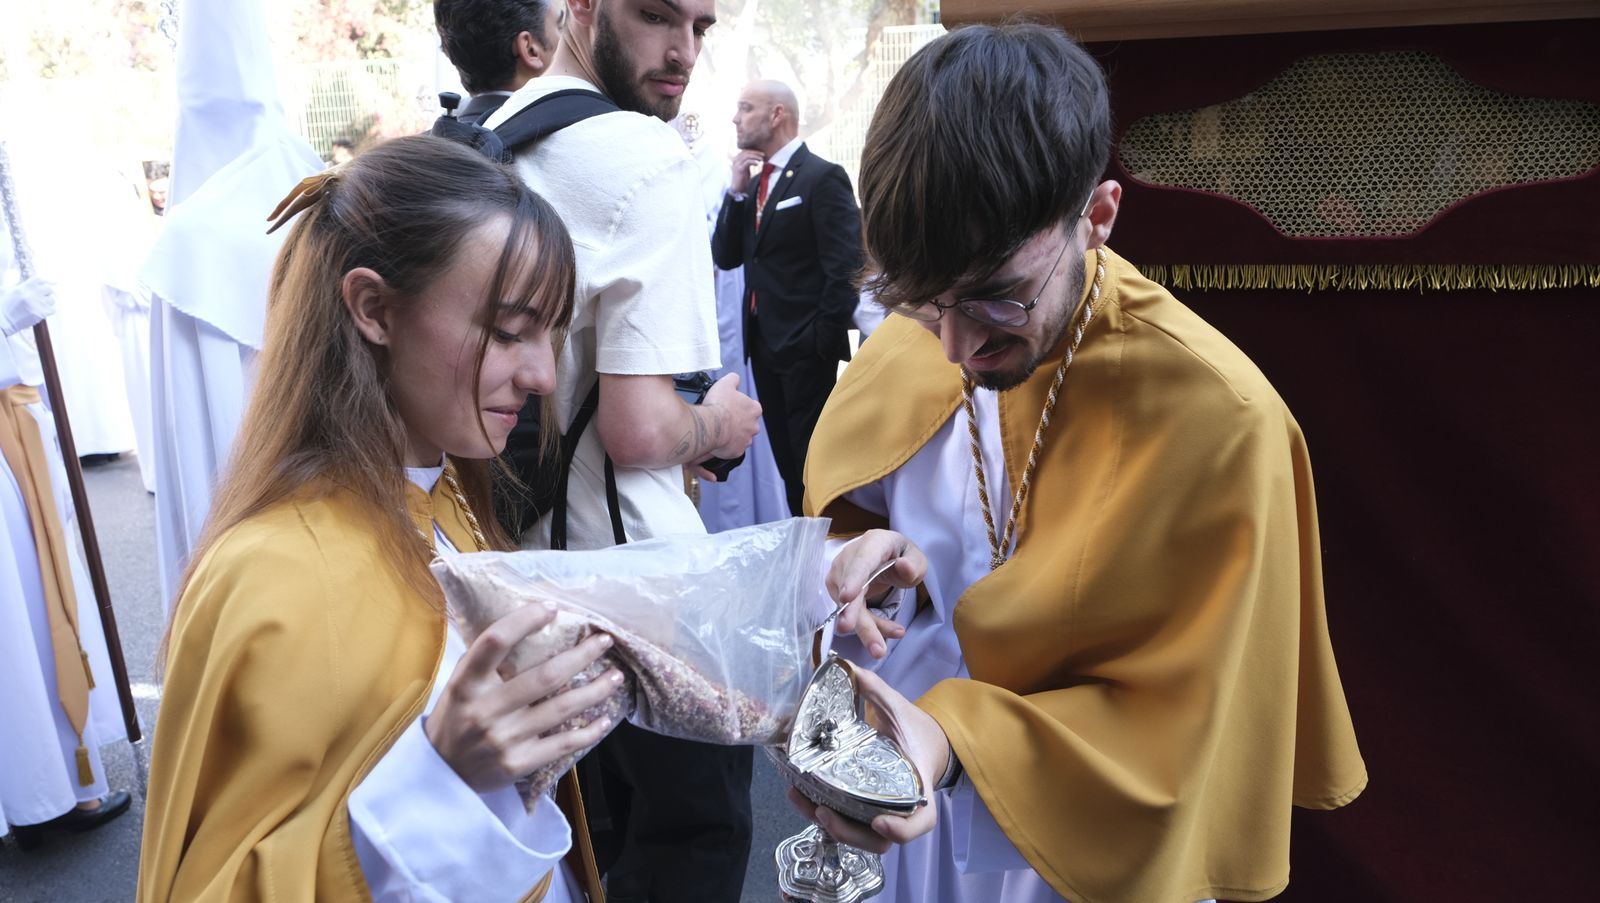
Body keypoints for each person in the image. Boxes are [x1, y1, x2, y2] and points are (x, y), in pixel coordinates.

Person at [795, 23, 1368, 903]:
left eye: (997, 298)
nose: (953, 345)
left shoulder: (1224, 420)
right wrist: (860, 564)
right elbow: (858, 504)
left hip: (1082, 852)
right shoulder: (933, 324)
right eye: (921, 304)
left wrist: (954, 740)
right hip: (904, 817)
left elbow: (1179, 728)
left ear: (1096, 217)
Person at [136, 136, 617, 902]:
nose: (539, 374)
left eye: (551, 333)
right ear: (373, 309)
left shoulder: (452, 495)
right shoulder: (268, 578)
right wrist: (439, 780)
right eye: (506, 330)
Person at [484, 2, 763, 899]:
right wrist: (718, 424)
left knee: (571, 846)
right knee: (695, 837)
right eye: (655, 15)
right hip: (633, 582)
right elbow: (639, 429)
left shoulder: (482, 135)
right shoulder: (651, 161)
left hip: (499, 572)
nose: (681, 50)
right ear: (582, 9)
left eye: (701, 26)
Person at [1, 247, 131, 851]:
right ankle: (43, 790)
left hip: (17, 428)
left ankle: (47, 783)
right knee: (19, 614)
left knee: (28, 613)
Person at [711, 79, 864, 515]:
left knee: (813, 465)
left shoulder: (822, 177)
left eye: (745, 108)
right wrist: (736, 189)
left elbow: (845, 268)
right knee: (787, 468)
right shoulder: (756, 184)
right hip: (763, 348)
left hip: (805, 351)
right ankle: (804, 551)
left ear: (777, 114)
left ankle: (828, 553)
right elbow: (727, 255)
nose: (735, 118)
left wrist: (819, 339)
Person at [435, 0, 564, 126]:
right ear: (530, 50)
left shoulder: (433, 141)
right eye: (561, 26)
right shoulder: (565, 137)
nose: (568, 38)